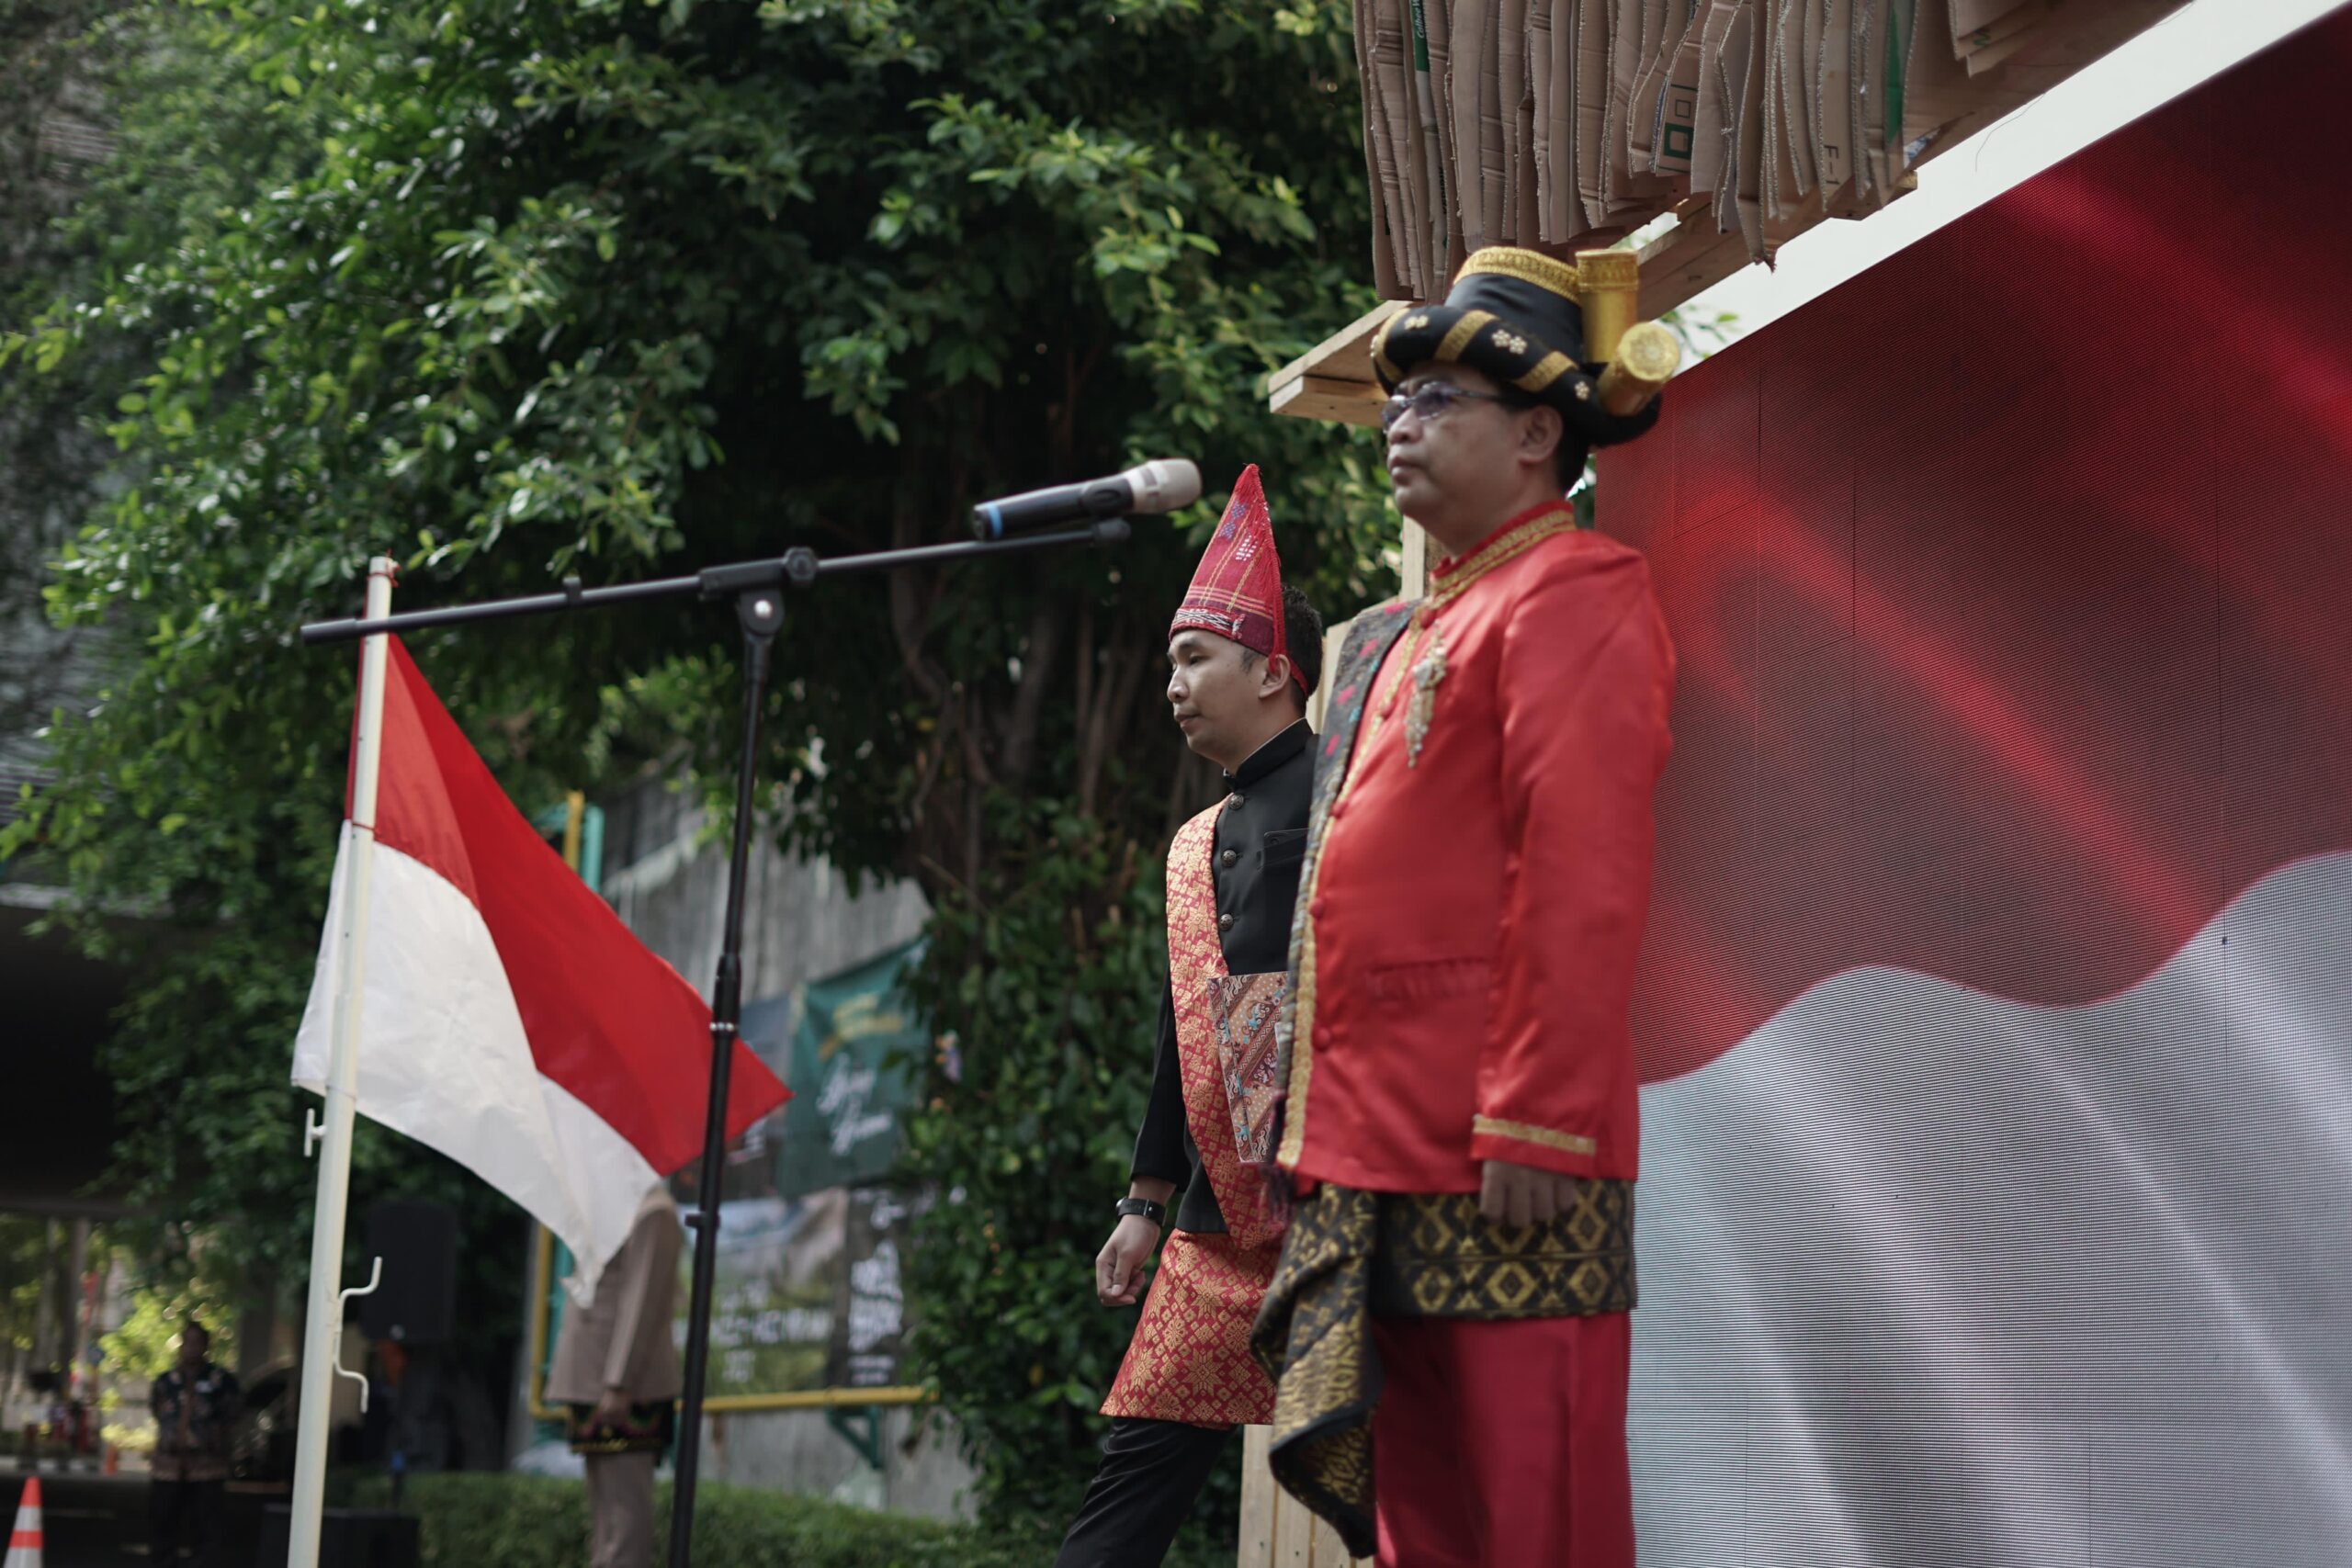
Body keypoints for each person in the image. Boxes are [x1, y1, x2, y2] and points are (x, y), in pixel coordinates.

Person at [1250, 246, 1677, 1568]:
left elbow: (1582, 865)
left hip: (1506, 1148)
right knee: (1418, 1518)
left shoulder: (1578, 591)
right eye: (1398, 401)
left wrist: (1537, 1111)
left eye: (1439, 400)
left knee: (1531, 1512)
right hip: (1371, 1141)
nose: (1399, 422)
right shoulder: (1398, 629)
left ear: (1540, 430)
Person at [1053, 465, 1325, 1568]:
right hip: (1216, 1227)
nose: (1171, 682)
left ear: (1273, 670)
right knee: (1133, 1478)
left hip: (1344, 1207)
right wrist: (1142, 1200)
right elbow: (1190, 1038)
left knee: (1411, 1479)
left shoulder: (1353, 795)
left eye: (1192, 657)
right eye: (1171, 659)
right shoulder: (1195, 838)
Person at [548, 1181, 684, 1568]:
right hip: (593, 1379)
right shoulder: (608, 1204)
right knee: (606, 1524)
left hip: (622, 1386)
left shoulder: (651, 1209)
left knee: (625, 1524)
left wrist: (618, 1382)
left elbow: (643, 1300)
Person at [150, 1320, 240, 1566]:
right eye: (187, 1342)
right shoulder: (165, 1381)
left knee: (206, 1523)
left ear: (206, 1346)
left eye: (197, 1342)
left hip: (207, 1465)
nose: (191, 1348)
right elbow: (157, 1412)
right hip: (169, 1465)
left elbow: (231, 1416)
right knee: (164, 1519)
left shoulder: (221, 1381)